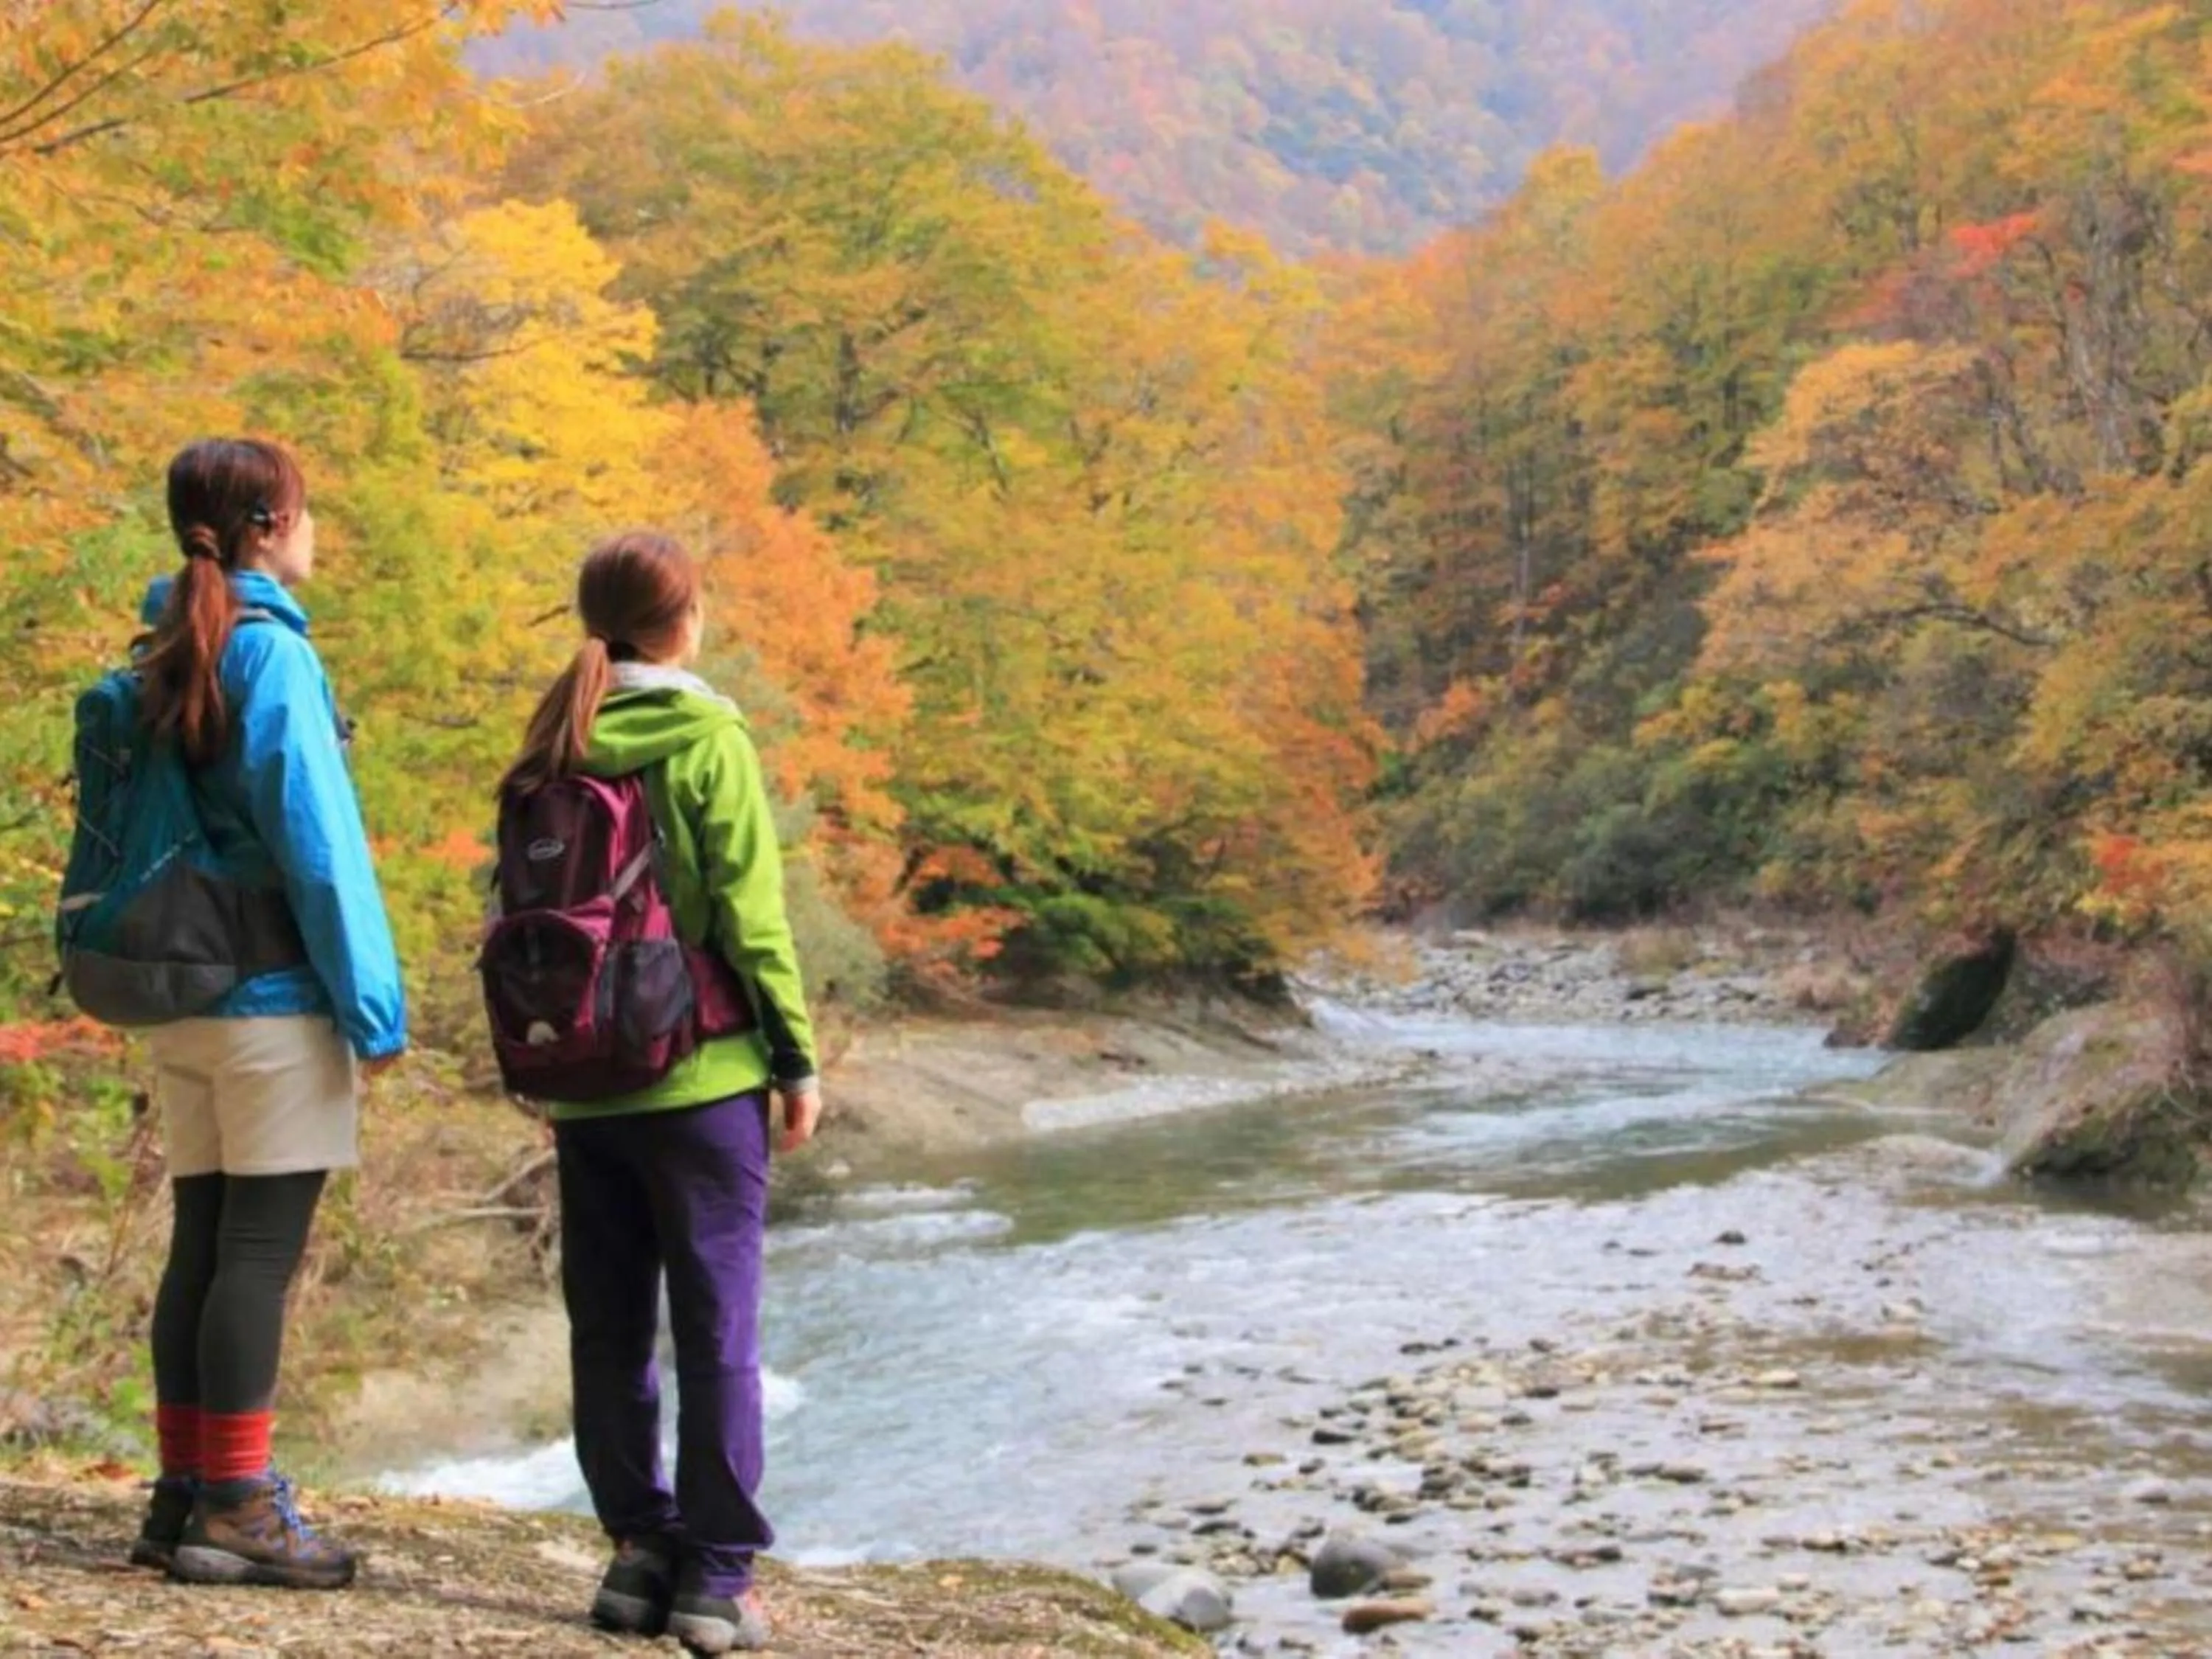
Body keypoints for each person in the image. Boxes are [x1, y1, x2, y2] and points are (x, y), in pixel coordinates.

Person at [501, 532, 823, 1655]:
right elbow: (750, 911)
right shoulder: (703, 732)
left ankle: (638, 1551)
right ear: (682, 618)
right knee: (717, 1326)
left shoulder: (555, 740)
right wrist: (796, 1057)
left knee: (610, 1326)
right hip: (701, 1075)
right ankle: (717, 1577)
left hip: (585, 1081)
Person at [130, 438, 406, 1589]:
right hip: (275, 1003)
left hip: (181, 1000)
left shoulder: (159, 648)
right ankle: (239, 1505)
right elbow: (321, 851)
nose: (315, 527)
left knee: (201, 1242)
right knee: (256, 1251)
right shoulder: (272, 655)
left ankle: (182, 1493)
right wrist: (374, 1007)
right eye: (308, 508)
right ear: (269, 524)